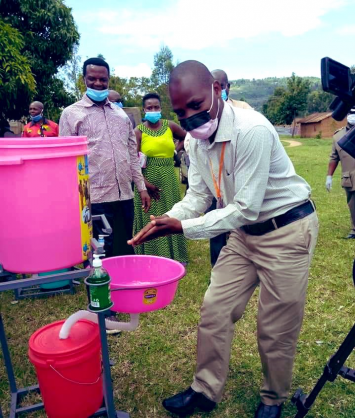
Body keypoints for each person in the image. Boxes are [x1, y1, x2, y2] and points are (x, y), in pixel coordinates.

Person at [129, 60, 319, 418]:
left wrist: (184, 229)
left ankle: (272, 400)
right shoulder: (197, 143)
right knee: (215, 309)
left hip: (286, 231)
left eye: (197, 106)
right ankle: (204, 389)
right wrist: (169, 217)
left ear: (216, 91)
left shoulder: (252, 130)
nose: (191, 119)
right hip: (244, 235)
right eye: (181, 112)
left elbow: (245, 207)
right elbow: (198, 197)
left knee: (274, 326)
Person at [59, 57, 150, 258]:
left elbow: (132, 156)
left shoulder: (121, 115)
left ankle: (124, 287)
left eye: (103, 79)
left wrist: (141, 187)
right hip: (95, 198)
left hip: (125, 196)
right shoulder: (71, 114)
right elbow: (65, 161)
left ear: (109, 80)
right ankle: (101, 289)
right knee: (101, 252)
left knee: (125, 247)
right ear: (84, 79)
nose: (98, 83)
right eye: (92, 79)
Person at [133, 93, 188, 263]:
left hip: (168, 179)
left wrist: (175, 151)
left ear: (160, 108)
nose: (153, 110)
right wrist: (145, 184)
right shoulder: (138, 131)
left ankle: (175, 256)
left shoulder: (170, 126)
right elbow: (133, 160)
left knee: (170, 215)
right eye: (149, 108)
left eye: (156, 107)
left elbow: (186, 136)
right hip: (147, 178)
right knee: (150, 216)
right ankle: (153, 256)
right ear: (144, 110)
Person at [326, 108, 355, 238]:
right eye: (351, 113)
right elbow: (334, 157)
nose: (353, 116)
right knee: (352, 204)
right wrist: (329, 177)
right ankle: (354, 229)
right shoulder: (338, 136)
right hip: (349, 177)